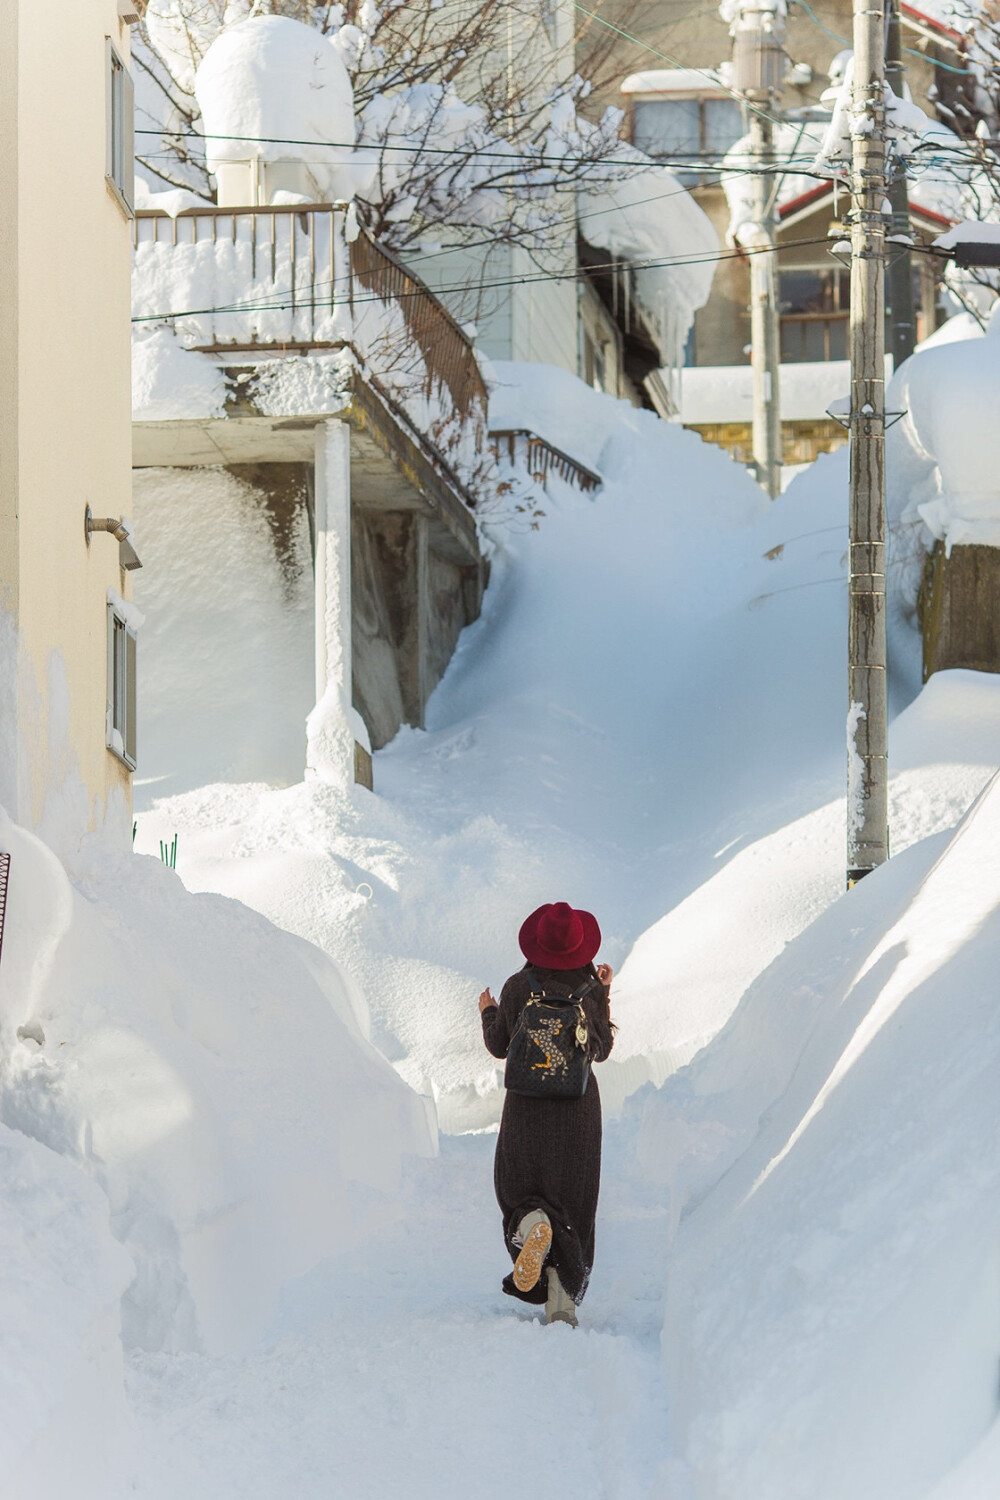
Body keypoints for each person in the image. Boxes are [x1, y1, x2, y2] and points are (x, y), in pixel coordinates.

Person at [478, 901, 615, 1327]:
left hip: (526, 1105)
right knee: (575, 1201)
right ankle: (562, 1302)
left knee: (519, 1186)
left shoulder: (519, 986)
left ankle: (533, 1222)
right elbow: (603, 1050)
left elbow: (500, 1045)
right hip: (577, 1110)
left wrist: (487, 1011)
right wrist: (603, 995)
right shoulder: (589, 990)